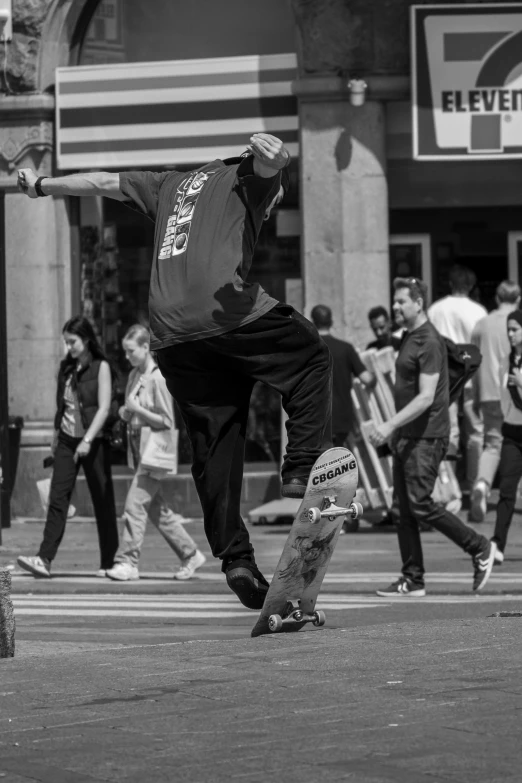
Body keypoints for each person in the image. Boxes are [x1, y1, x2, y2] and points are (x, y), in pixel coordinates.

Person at [17, 133, 332, 610]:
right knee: (310, 357)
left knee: (216, 438)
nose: (267, 214)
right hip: (223, 313)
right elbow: (268, 168)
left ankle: (236, 560)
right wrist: (278, 162)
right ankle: (304, 464)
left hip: (169, 333)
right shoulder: (245, 175)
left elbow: (101, 181)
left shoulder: (169, 184)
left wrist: (40, 184)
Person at [369, 277, 496, 596]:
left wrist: (388, 425)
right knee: (402, 509)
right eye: (394, 301)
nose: (395, 307)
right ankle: (412, 579)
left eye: (401, 302)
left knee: (421, 505)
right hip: (407, 437)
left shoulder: (427, 340)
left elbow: (426, 397)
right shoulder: (410, 337)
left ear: (419, 303)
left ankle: (479, 546)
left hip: (426, 437)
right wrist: (396, 433)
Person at [17, 317, 118, 578]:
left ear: (85, 340)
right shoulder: (66, 368)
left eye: (72, 342)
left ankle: (109, 562)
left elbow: (105, 407)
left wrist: (87, 440)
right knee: (57, 499)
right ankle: (44, 559)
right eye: (65, 342)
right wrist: (54, 437)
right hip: (66, 440)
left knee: (103, 501)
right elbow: (62, 406)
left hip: (93, 441)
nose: (69, 347)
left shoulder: (101, 367)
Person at [106, 324, 206, 582]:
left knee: (134, 505)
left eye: (131, 351)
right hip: (138, 449)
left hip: (153, 450)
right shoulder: (133, 376)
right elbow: (129, 409)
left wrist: (136, 410)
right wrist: (126, 412)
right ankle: (190, 553)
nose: (127, 356)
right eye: (125, 352)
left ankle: (127, 561)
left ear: (145, 347)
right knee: (156, 510)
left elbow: (166, 420)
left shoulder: (158, 378)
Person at [427, 265, 487, 487]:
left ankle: (448, 484)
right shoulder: (479, 311)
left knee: (447, 432)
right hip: (471, 375)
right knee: (476, 432)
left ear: (451, 284)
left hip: (444, 377)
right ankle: (476, 483)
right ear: (471, 286)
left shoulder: (435, 309)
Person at [469, 281, 521, 522]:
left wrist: (475, 396)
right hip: (515, 391)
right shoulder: (517, 322)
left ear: (497, 299)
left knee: (493, 443)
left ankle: (482, 484)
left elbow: (473, 362)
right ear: (518, 299)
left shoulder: (482, 325)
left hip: (490, 391)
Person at [310, 304, 375, 446]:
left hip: (314, 421)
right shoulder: (346, 349)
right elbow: (367, 379)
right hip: (342, 421)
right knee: (337, 464)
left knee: (319, 464)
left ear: (313, 323)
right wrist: (376, 374)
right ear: (331, 322)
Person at [490, 310, 522, 563]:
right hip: (512, 431)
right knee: (507, 490)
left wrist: (521, 383)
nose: (510, 334)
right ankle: (497, 545)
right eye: (509, 329)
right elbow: (502, 398)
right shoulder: (504, 360)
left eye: (515, 329)